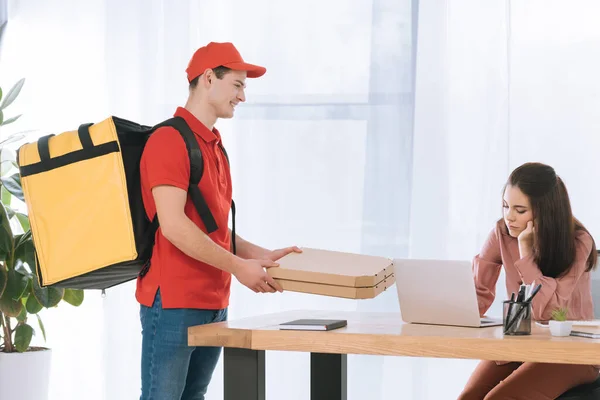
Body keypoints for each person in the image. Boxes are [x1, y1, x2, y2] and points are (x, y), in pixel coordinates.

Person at [137, 41, 301, 400]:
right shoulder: (169, 140)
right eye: (238, 85)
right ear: (209, 78)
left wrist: (262, 255)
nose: (243, 96)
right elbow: (174, 226)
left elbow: (215, 228)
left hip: (213, 302)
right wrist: (239, 267)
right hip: (174, 303)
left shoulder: (212, 144)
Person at [458, 162, 599, 400]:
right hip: (521, 341)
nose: (509, 217)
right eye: (505, 206)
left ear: (545, 211)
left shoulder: (578, 241)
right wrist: (449, 310)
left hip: (573, 350)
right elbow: (478, 295)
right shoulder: (501, 233)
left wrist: (525, 252)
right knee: (469, 397)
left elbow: (550, 311)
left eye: (520, 210)